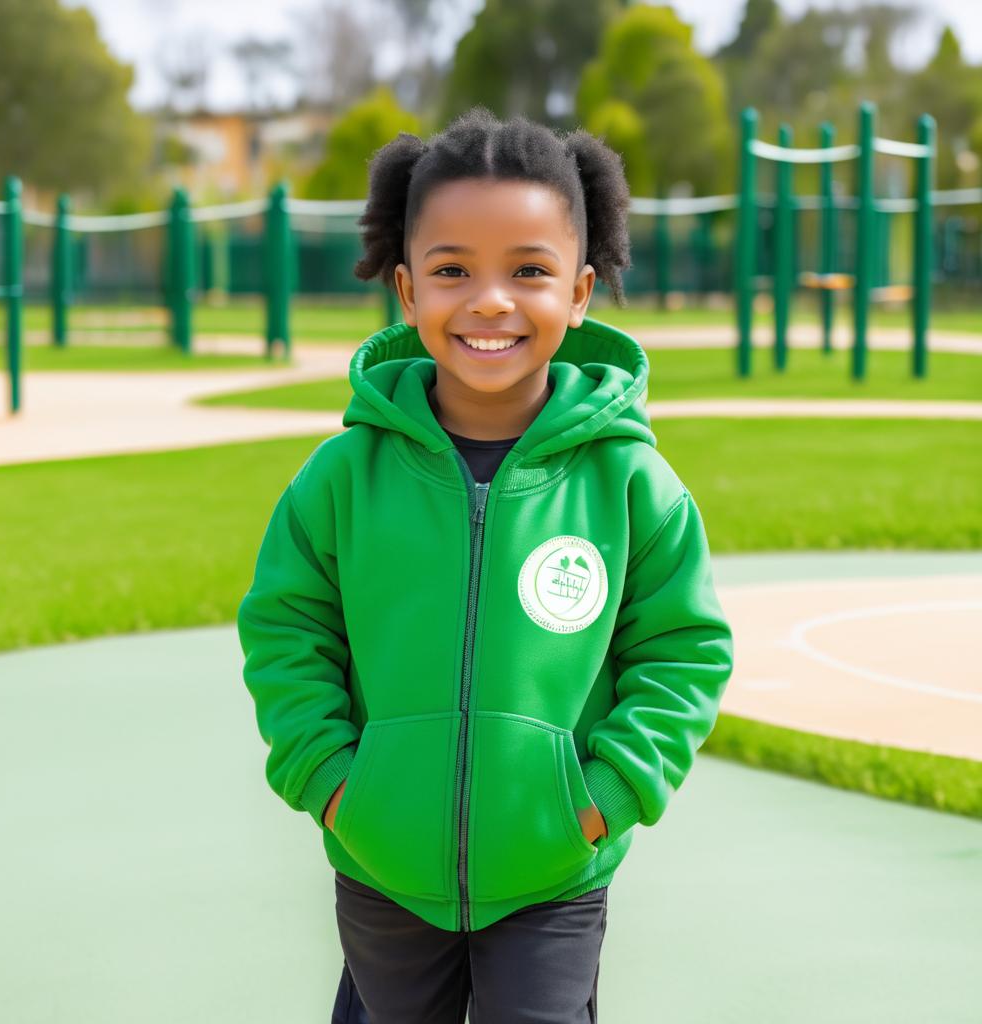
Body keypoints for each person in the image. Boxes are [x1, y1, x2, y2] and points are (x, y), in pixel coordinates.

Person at [237, 106, 734, 1024]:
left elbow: (684, 652)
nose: (491, 301)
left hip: (552, 868)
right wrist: (334, 784)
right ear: (406, 290)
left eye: (530, 271)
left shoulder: (631, 483)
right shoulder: (343, 478)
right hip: (381, 860)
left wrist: (608, 796)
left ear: (580, 293)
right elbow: (287, 628)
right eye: (453, 270)